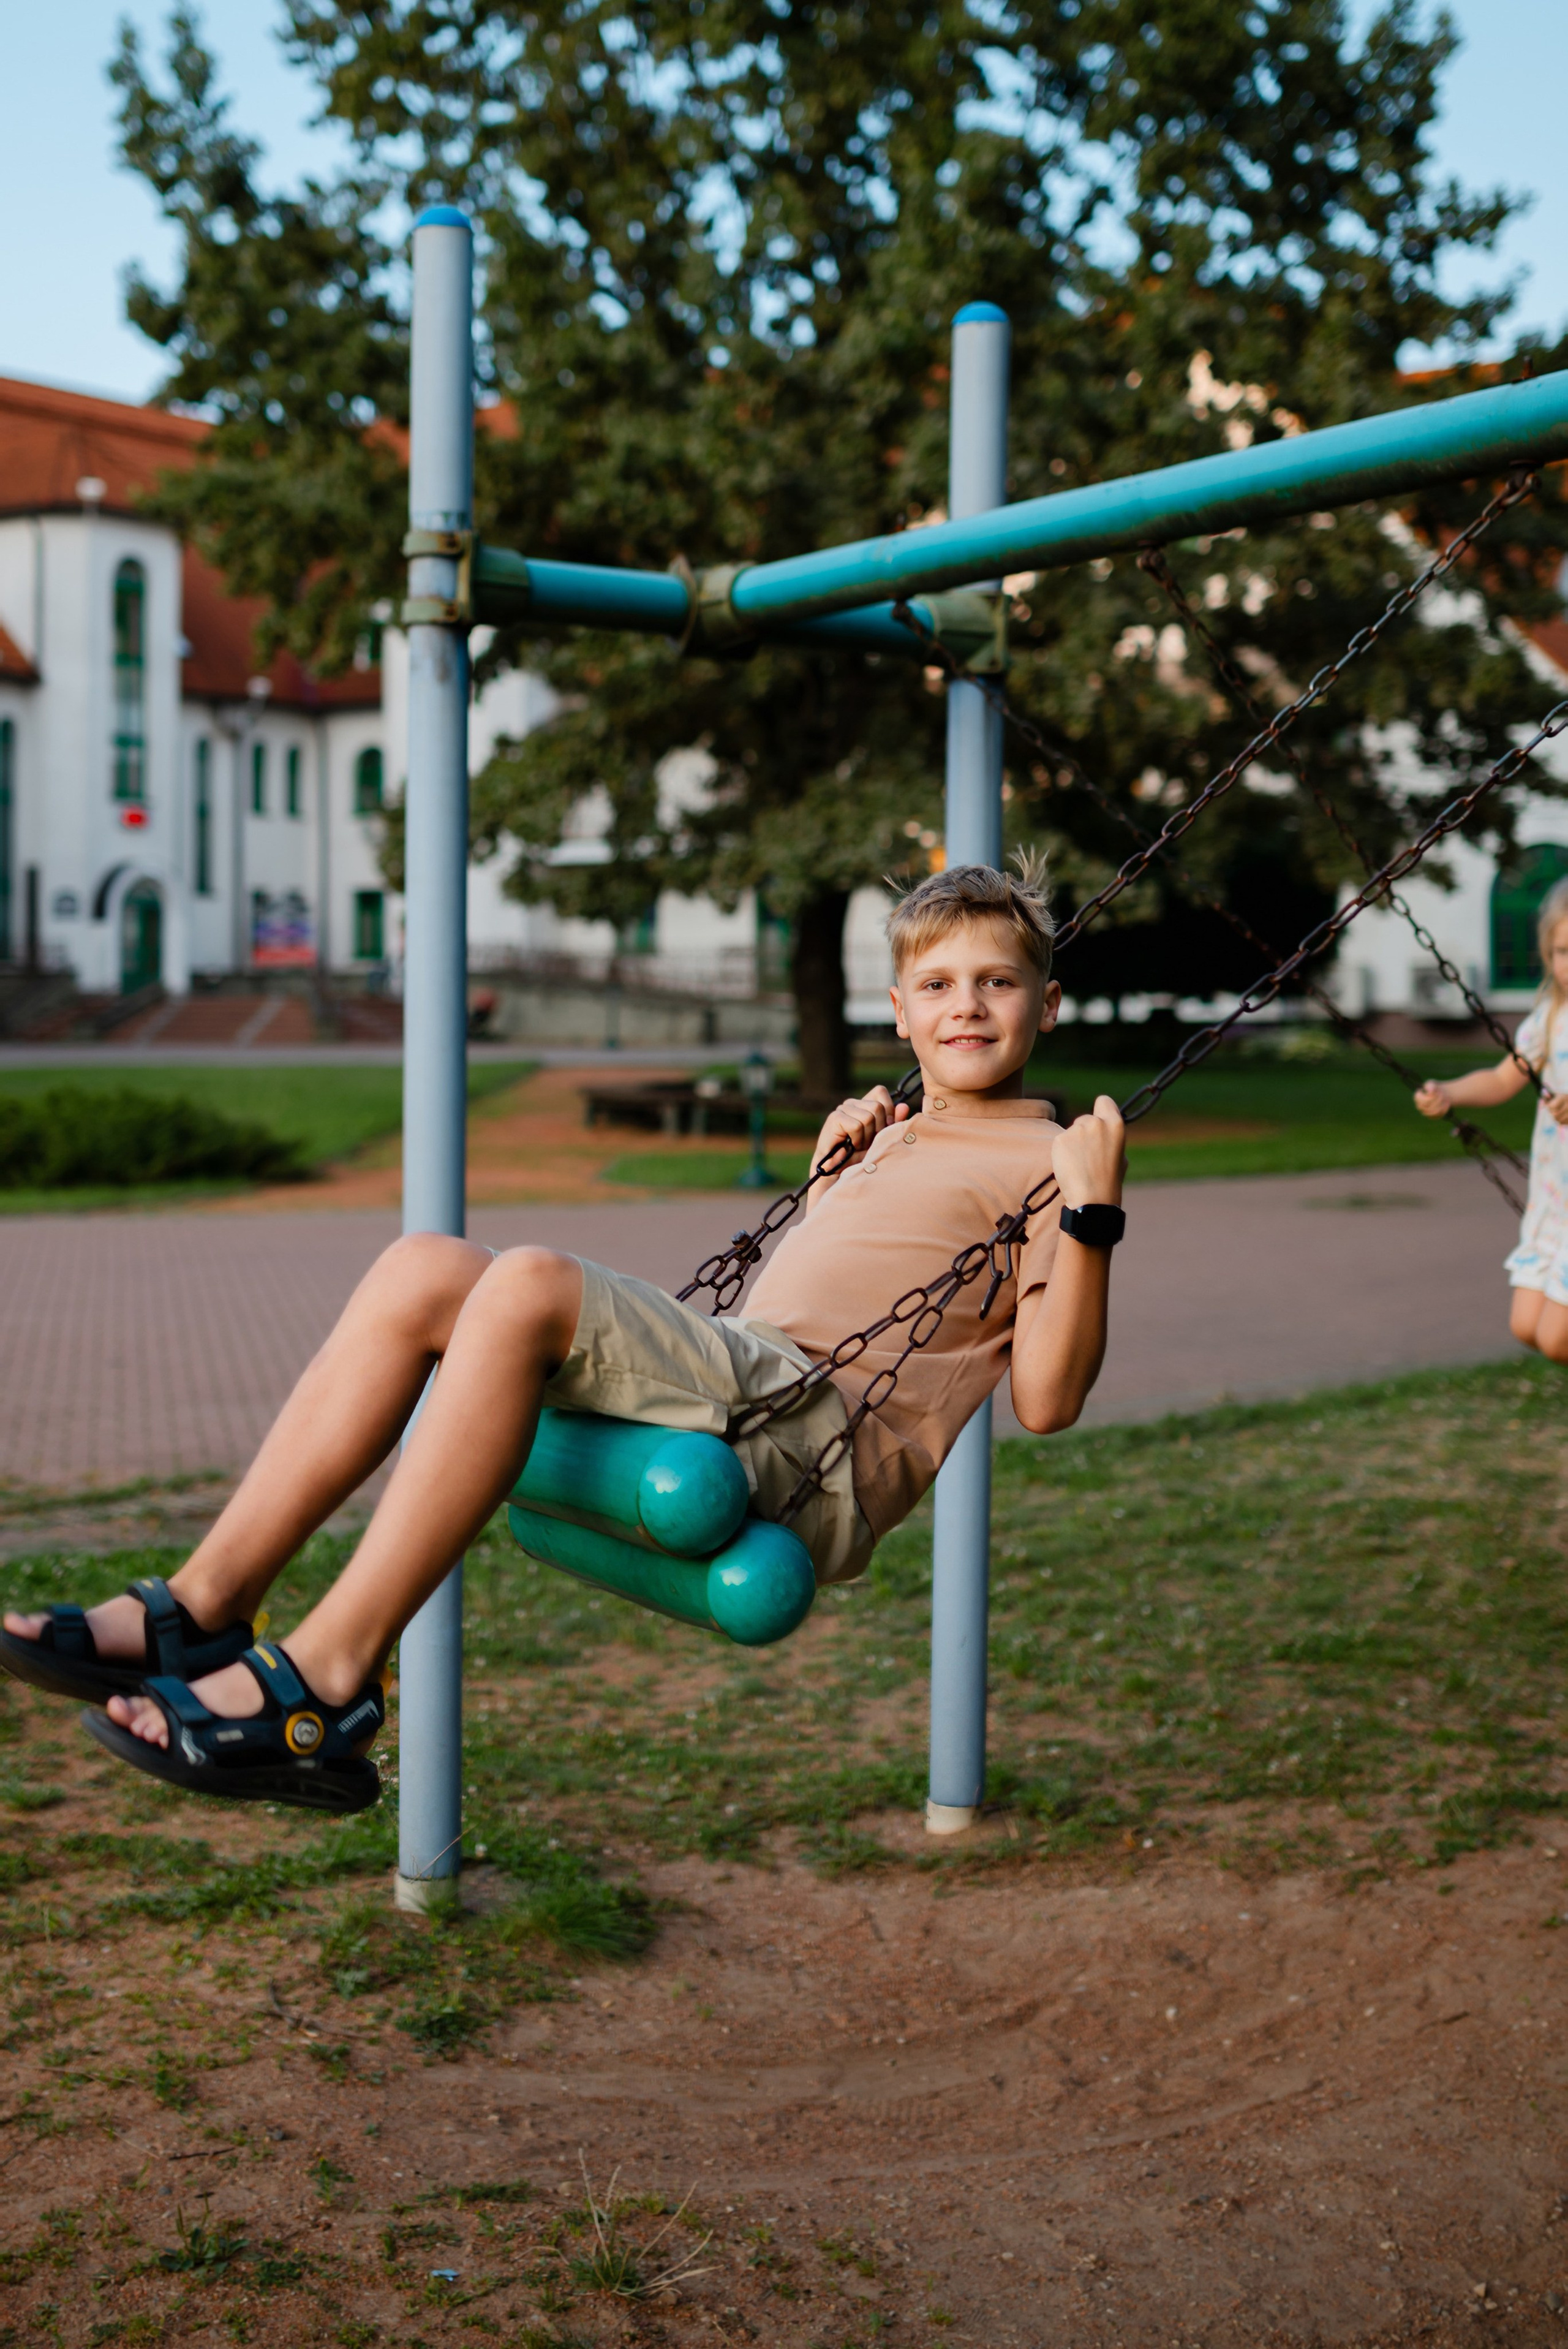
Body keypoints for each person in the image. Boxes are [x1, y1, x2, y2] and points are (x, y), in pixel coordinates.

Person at [0, 858, 1126, 1812]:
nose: (965, 1004)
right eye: (937, 983)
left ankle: (327, 1677)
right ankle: (200, 1608)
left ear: (1050, 1002)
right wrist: (836, 1175)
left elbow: (1048, 1396)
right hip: (746, 1370)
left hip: (803, 1436)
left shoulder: (1049, 1161)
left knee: (533, 1280)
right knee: (422, 1266)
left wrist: (1088, 1215)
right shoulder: (890, 1129)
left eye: (997, 981)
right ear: (897, 1009)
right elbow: (833, 1278)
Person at [1414, 875, 1568, 1363]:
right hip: (1555, 1203)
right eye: (1563, 950)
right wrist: (1449, 1091)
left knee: (1558, 1336)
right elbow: (1503, 1079)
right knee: (1527, 1328)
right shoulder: (1551, 1016)